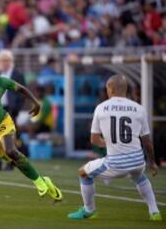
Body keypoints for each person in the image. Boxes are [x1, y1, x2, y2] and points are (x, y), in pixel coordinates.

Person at [0, 54, 62, 201]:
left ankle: (38, 182)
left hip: (3, 122)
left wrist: (36, 103)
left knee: (11, 150)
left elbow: (21, 89)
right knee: (13, 159)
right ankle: (43, 180)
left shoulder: (2, 81)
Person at [68, 75, 162, 221]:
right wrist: (152, 162)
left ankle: (89, 210)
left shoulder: (101, 108)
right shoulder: (139, 109)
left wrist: (110, 143)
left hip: (116, 164)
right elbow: (147, 141)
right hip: (138, 161)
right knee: (139, 176)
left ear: (110, 89)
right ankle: (154, 212)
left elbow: (94, 140)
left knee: (83, 173)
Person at [0, 50, 26, 171]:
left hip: (10, 110)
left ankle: (10, 163)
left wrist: (16, 109)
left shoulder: (17, 75)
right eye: (2, 60)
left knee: (9, 139)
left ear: (11, 62)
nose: (4, 63)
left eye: (6, 60)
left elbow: (22, 94)